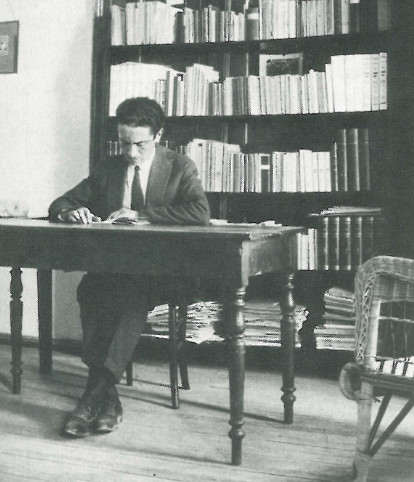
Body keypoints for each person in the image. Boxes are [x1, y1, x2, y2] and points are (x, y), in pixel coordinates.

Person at [49, 97, 210, 438]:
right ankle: (108, 399)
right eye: (124, 143)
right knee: (89, 289)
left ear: (158, 135)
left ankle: (92, 396)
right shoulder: (109, 167)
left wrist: (142, 215)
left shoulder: (180, 166)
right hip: (114, 269)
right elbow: (61, 202)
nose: (131, 153)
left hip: (164, 273)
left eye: (140, 144)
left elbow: (199, 212)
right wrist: (69, 212)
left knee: (131, 296)